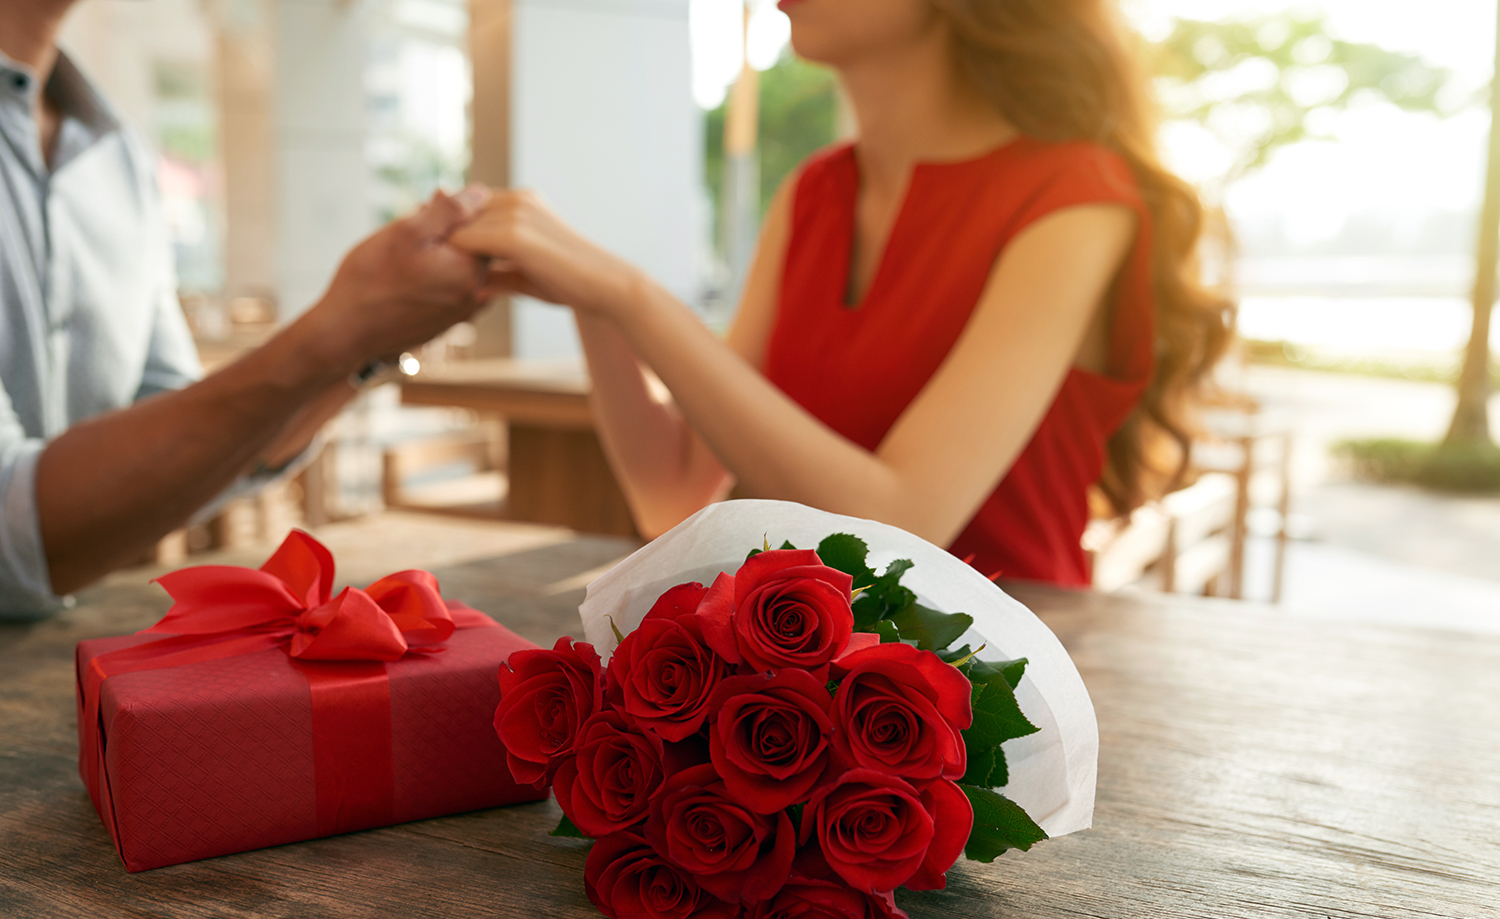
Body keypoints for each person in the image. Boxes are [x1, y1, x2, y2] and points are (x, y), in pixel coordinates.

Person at [450, 0, 1233, 587]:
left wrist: (629, 293)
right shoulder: (817, 193)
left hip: (1005, 704)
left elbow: (901, 524)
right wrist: (593, 302)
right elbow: (674, 495)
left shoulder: (1076, 202)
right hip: (819, 689)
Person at [0, 1, 495, 618]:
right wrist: (337, 333)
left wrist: (370, 341)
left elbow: (180, 454)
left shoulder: (115, 153)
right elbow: (10, 537)